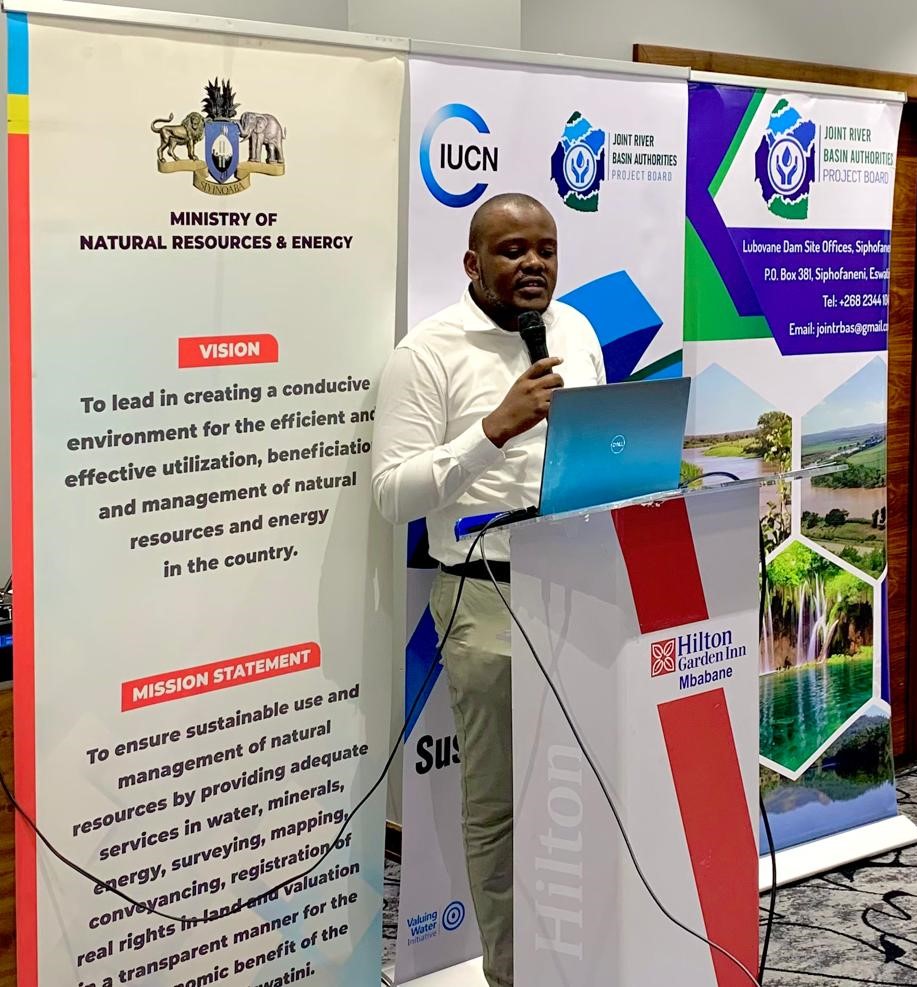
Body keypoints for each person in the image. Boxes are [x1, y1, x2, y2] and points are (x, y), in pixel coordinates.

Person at [371, 192, 605, 987]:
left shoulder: (577, 331)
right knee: (501, 803)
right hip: (485, 596)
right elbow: (392, 494)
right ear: (473, 263)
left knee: (588, 785)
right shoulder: (428, 353)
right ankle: (511, 973)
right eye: (512, 250)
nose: (533, 263)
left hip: (582, 586)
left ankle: (583, 957)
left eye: (546, 248)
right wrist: (492, 430)